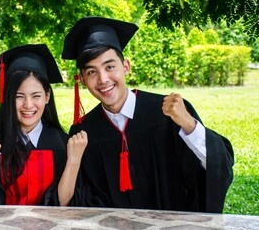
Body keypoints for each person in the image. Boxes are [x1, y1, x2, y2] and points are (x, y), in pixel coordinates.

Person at [61, 16, 234, 213]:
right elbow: (81, 201)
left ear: (126, 66)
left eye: (110, 67)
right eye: (92, 72)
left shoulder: (168, 114)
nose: (103, 79)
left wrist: (189, 125)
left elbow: (217, 169)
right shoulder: (83, 132)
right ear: (82, 80)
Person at [0, 44, 87, 205]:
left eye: (36, 96)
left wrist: (73, 160)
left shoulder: (63, 145)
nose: (28, 105)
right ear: (7, 97)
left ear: (47, 96)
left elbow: (65, 206)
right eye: (19, 96)